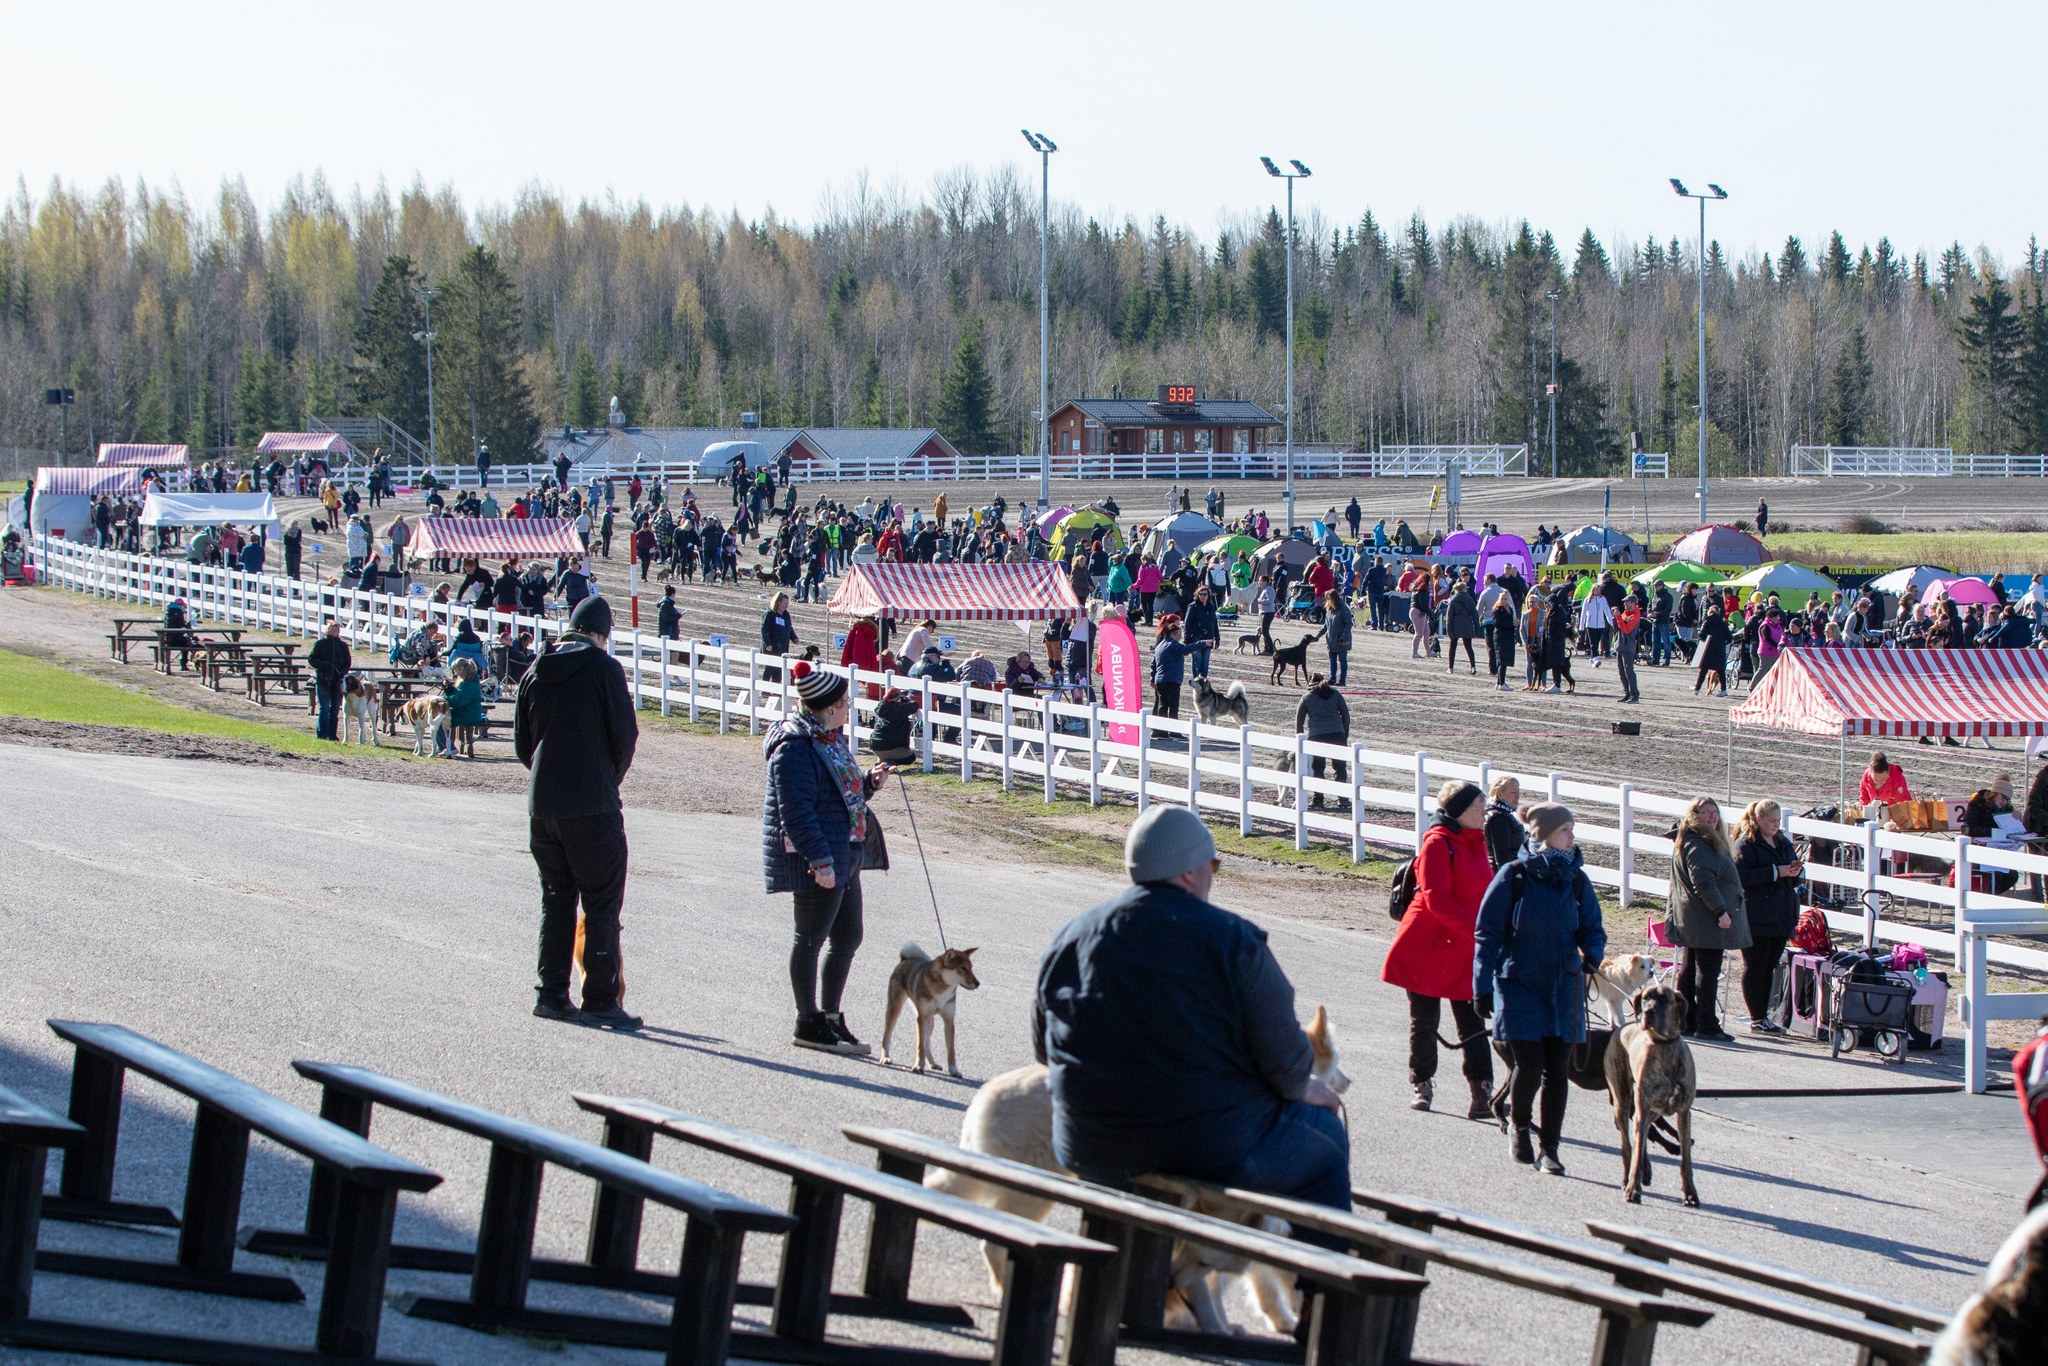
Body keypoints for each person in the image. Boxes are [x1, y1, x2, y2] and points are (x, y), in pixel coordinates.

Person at [1034, 805, 1348, 1209]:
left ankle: (1128, 1261)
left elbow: (1045, 1050)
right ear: (1188, 871)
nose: (1212, 876)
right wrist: (1308, 1089)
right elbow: (1285, 1062)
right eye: (1212, 864)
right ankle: (1322, 1270)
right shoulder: (1234, 941)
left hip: (1088, 1143)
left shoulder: (1072, 935)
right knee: (1325, 1137)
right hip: (1205, 1147)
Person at [514, 596, 640, 1031]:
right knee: (602, 901)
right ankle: (600, 999)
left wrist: (547, 777)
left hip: (542, 805)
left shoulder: (535, 670)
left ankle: (550, 994)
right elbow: (625, 737)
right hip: (592, 803)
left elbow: (521, 744)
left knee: (556, 899)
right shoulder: (604, 669)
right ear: (602, 634)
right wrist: (608, 778)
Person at [763, 660, 893, 1055]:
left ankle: (832, 1017)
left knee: (848, 936)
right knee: (810, 938)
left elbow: (841, 795)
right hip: (822, 857)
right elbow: (796, 811)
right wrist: (819, 860)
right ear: (828, 706)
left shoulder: (830, 739)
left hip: (847, 850)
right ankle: (808, 1020)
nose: (849, 707)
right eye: (844, 702)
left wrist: (869, 785)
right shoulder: (795, 747)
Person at [1473, 803, 1606, 1174]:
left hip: (1563, 985)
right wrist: (1481, 984)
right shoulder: (1513, 876)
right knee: (1529, 1065)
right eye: (1565, 828)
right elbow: (1488, 933)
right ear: (1544, 834)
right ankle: (1519, 1126)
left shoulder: (1577, 880)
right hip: (1519, 983)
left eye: (1572, 828)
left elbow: (1592, 928)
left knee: (1557, 1071)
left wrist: (1592, 954)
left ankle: (1551, 1148)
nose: (1572, 835)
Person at [1383, 781, 1497, 1118]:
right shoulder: (1438, 843)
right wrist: (1476, 931)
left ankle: (1482, 1092)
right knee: (1425, 1020)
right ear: (1461, 810)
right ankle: (1422, 1083)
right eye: (1479, 805)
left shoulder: (1477, 841)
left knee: (1473, 1020)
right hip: (1427, 943)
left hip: (1464, 943)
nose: (1485, 811)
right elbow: (1436, 899)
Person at [1670, 796, 1747, 1042]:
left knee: (1691, 968)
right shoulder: (1697, 845)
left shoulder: (1697, 841)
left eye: (1714, 812)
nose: (1712, 817)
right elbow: (1703, 883)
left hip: (1697, 918)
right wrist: (1720, 912)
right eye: (1706, 813)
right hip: (1704, 919)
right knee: (1707, 970)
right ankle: (1706, 1023)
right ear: (1695, 816)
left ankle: (1688, 1021)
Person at [1732, 800, 1802, 1034]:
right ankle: (1757, 1017)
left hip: (1781, 913)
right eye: (1772, 821)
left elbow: (1793, 875)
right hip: (1756, 915)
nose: (1776, 825)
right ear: (1759, 819)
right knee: (1755, 966)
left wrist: (1795, 872)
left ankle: (1764, 1016)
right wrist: (1775, 872)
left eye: (1778, 821)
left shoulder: (1783, 842)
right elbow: (1741, 877)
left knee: (1770, 966)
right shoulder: (1746, 844)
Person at [1295, 673, 1351, 810]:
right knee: (1340, 767)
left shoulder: (1307, 697)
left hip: (1317, 735)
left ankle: (1318, 799)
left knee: (1318, 768)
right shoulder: (1335, 693)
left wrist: (1300, 740)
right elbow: (1346, 715)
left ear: (1310, 682)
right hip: (1337, 734)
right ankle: (1343, 798)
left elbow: (1299, 721)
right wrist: (1344, 734)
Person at [309, 618, 351, 741]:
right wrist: (325, 665)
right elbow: (312, 659)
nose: (334, 632)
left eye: (336, 630)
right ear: (328, 630)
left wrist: (342, 672)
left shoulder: (342, 646)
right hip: (323, 680)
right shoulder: (320, 644)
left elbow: (347, 662)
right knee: (324, 708)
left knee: (334, 710)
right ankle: (322, 734)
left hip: (337, 681)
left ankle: (332, 734)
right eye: (332, 629)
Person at [1151, 618, 1189, 719]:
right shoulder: (1173, 644)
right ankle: (1173, 731)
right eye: (1179, 635)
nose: (1180, 637)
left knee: (1162, 706)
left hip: (1160, 679)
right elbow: (1186, 648)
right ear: (1174, 634)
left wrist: (1152, 678)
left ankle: (1160, 730)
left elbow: (1153, 663)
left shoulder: (1160, 645)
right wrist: (1203, 643)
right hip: (1172, 679)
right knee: (1173, 707)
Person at [1484, 775, 1522, 869]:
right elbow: (1502, 858)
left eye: (1518, 791)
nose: (1517, 795)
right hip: (1505, 872)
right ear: (1500, 794)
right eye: (1513, 792)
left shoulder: (1498, 813)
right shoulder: (1499, 819)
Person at [1694, 603, 1732, 696]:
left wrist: (1703, 639)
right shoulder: (1723, 623)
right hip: (1719, 649)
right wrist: (1723, 642)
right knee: (1720, 670)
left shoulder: (1707, 622)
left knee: (1703, 670)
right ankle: (1723, 690)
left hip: (1708, 649)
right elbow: (1729, 637)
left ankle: (1697, 689)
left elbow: (1701, 635)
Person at [1445, 577, 1479, 674]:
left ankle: (1450, 668)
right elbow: (1475, 615)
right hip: (1467, 624)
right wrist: (1477, 628)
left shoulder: (1453, 600)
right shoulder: (1470, 599)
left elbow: (1449, 617)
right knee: (1469, 647)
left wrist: (1448, 630)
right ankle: (1473, 667)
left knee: (1453, 647)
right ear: (1464, 589)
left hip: (1455, 624)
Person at [1614, 596, 1643, 704]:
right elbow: (1618, 627)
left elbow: (1627, 630)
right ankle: (1627, 693)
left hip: (1628, 646)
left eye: (1627, 602)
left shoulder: (1635, 616)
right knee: (1622, 671)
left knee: (1629, 671)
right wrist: (1616, 617)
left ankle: (1634, 695)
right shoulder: (1625, 614)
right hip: (1620, 645)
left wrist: (1618, 618)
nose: (1625, 604)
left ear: (1633, 603)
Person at [1323, 590, 1354, 685]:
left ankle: (1342, 680)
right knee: (1332, 661)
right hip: (1331, 640)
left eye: (1329, 599)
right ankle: (1332, 679)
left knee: (1342, 661)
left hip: (1341, 641)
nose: (1327, 601)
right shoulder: (1329, 609)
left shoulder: (1344, 608)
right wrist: (1318, 635)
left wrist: (1343, 637)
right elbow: (1326, 625)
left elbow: (1349, 624)